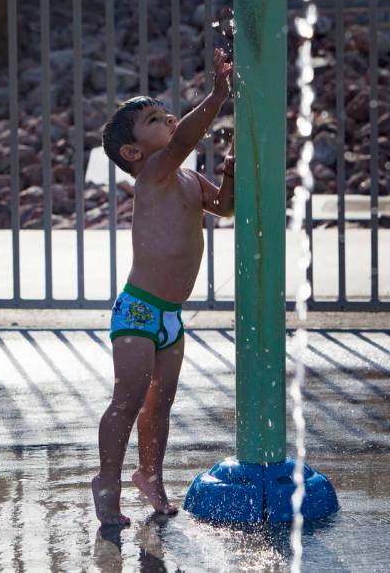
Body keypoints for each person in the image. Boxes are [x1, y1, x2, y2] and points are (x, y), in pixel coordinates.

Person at [92, 48, 234, 526]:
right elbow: (185, 140)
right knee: (128, 397)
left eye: (165, 112)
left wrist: (232, 165)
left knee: (161, 401)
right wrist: (217, 95)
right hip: (137, 310)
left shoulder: (189, 178)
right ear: (133, 153)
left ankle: (148, 475)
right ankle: (107, 481)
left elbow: (227, 207)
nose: (169, 118)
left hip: (171, 316)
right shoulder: (153, 175)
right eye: (155, 119)